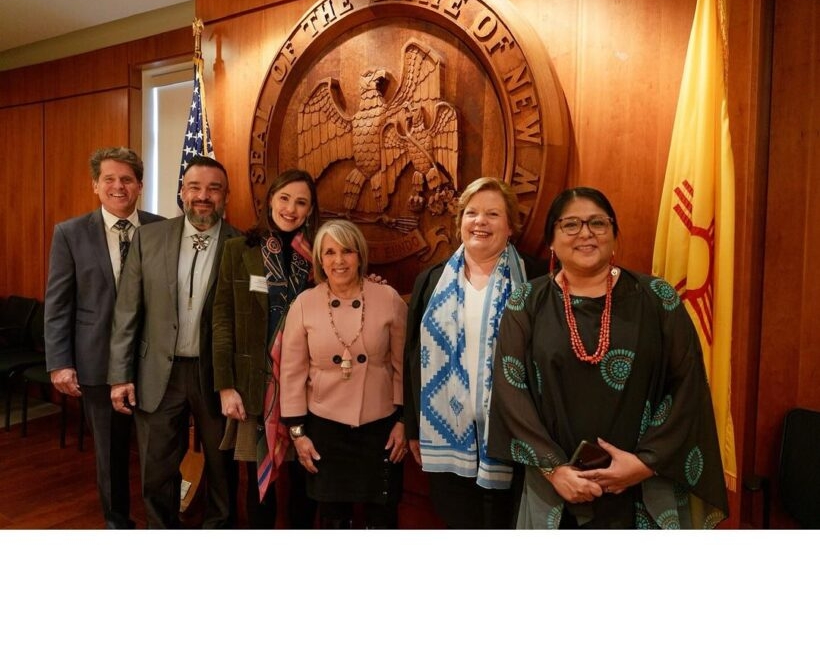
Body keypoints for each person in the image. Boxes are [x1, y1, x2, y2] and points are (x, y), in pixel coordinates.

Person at [487, 185, 729, 529]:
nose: (585, 233)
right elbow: (511, 390)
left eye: (598, 223)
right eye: (570, 225)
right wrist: (555, 469)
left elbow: (688, 386)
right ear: (552, 241)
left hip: (643, 488)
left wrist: (645, 463)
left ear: (614, 235)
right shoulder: (527, 302)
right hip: (557, 488)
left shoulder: (657, 298)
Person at [108, 155, 240, 529]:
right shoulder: (149, 238)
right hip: (157, 374)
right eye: (195, 187)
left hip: (215, 375)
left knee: (222, 467)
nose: (203, 196)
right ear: (182, 192)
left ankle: (219, 532)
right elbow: (126, 311)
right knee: (157, 468)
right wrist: (120, 375)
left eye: (213, 189)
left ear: (225, 197)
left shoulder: (241, 244)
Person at [404, 176, 542, 529]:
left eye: (493, 214)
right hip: (445, 433)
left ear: (510, 226)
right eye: (472, 213)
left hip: (512, 437)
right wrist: (413, 426)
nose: (480, 221)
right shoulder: (431, 280)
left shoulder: (535, 279)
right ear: (459, 222)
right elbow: (411, 356)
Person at [44, 146, 165, 529]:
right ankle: (118, 525)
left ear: (140, 186)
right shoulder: (69, 233)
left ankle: (163, 523)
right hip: (96, 362)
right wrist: (60, 362)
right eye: (109, 179)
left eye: (127, 179)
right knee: (111, 454)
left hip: (155, 363)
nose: (118, 186)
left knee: (160, 452)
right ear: (96, 185)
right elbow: (58, 304)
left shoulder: (162, 229)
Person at [279, 219, 408, 529]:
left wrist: (404, 422)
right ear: (320, 260)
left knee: (382, 516)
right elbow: (292, 373)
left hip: (381, 428)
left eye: (347, 251)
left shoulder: (388, 298)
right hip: (325, 429)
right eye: (330, 252)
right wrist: (297, 433)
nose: (339, 261)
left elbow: (404, 366)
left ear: (360, 255)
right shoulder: (304, 303)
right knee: (334, 519)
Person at [212, 169, 320, 528]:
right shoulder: (238, 250)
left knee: (306, 483)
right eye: (285, 198)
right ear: (270, 199)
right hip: (254, 387)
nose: (291, 208)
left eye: (301, 202)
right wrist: (226, 386)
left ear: (310, 211)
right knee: (259, 488)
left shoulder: (319, 256)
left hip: (308, 388)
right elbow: (222, 320)